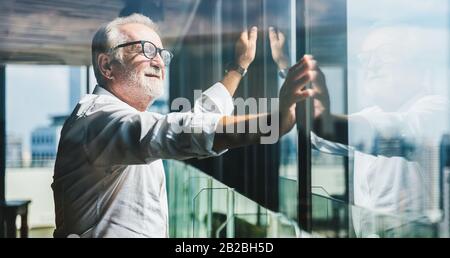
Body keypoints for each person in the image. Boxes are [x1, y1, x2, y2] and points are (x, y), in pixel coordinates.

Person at [52, 14, 317, 238]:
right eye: (145, 49)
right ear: (107, 65)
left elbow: (196, 118)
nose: (158, 61)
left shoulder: (120, 121)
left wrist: (238, 68)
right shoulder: (96, 119)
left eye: (161, 53)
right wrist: (273, 121)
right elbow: (181, 131)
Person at [269, 24, 449, 237]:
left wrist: (322, 117)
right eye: (366, 58)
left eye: (385, 54)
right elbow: (322, 139)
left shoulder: (436, 108)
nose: (371, 66)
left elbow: (387, 130)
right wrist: (285, 67)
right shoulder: (371, 114)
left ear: (417, 65)